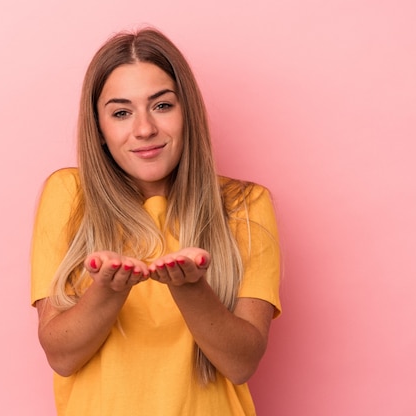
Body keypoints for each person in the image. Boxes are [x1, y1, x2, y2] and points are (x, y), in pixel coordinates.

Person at [31, 27, 281, 415]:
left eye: (162, 106)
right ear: (99, 129)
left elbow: (242, 363)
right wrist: (108, 290)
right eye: (121, 113)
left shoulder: (246, 205)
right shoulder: (68, 195)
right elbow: (61, 355)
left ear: (188, 113)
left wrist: (191, 289)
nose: (144, 129)